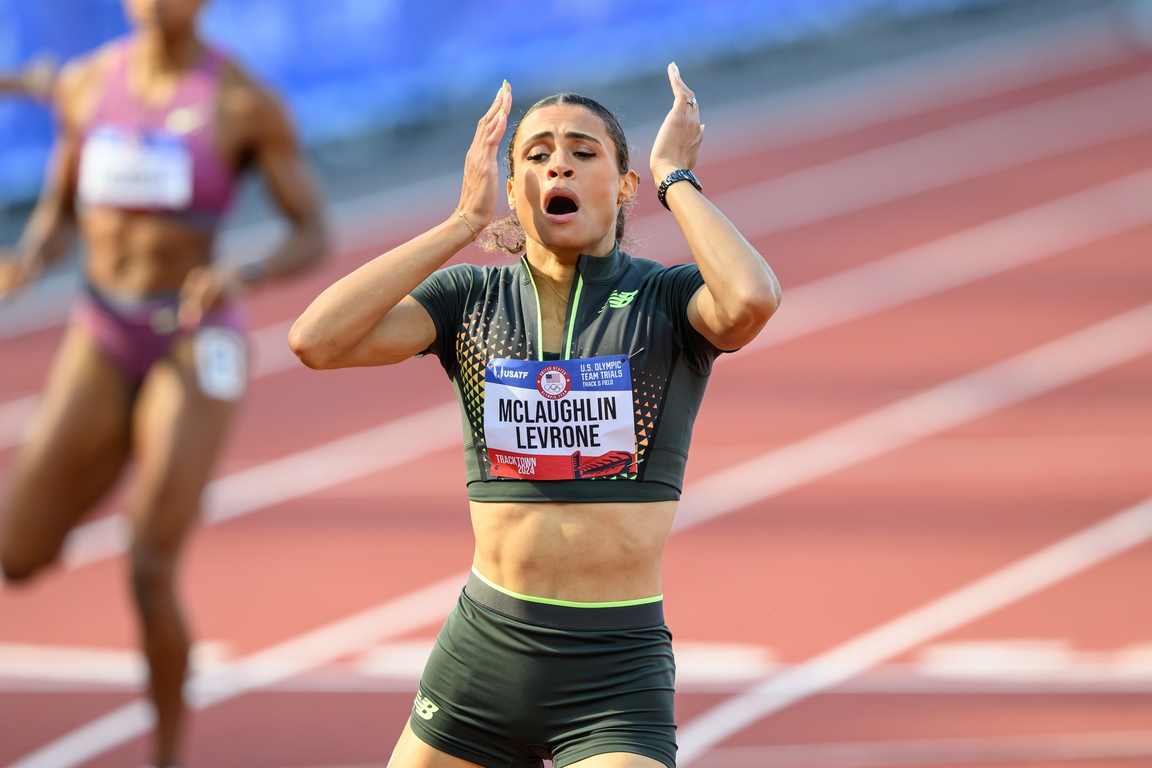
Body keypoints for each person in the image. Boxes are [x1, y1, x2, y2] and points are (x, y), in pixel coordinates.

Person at [291, 65, 780, 768]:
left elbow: (751, 301)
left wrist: (675, 174)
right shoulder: (469, 301)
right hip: (481, 659)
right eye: (537, 154)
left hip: (612, 669)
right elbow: (316, 340)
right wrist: (461, 223)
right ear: (515, 190)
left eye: (585, 153)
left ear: (623, 187)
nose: (560, 165)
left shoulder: (668, 303)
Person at [0, 0, 327, 765]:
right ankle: (100, 461)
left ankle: (168, 754)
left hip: (192, 335)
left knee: (149, 561)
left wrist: (241, 270)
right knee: (15, 552)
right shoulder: (86, 85)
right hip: (102, 331)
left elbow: (312, 230)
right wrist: (25, 261)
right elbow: (58, 215)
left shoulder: (244, 103)